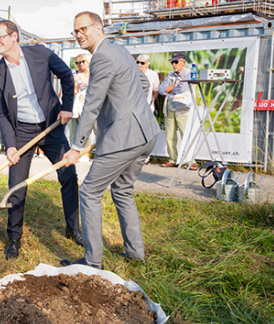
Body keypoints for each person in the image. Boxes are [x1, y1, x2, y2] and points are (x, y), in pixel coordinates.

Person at [60, 11, 160, 270]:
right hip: (146, 134)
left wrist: (75, 148)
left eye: (83, 29)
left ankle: (93, 261)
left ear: (98, 28)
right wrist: (127, 108)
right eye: (75, 31)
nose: (79, 34)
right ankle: (136, 253)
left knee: (90, 191)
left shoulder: (102, 57)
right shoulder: (120, 50)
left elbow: (92, 104)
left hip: (123, 138)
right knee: (122, 191)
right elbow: (143, 85)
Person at [0, 19, 80, 260]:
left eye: (0, 38)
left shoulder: (40, 54)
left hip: (51, 125)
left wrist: (67, 107)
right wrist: (9, 145)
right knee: (17, 186)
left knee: (68, 175)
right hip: (22, 132)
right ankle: (14, 239)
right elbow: (2, 113)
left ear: (14, 37)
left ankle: (73, 228)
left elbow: (68, 77)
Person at [158, 52, 197, 170]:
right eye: (172, 62)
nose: (173, 64)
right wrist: (174, 86)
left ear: (183, 62)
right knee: (170, 134)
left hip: (183, 107)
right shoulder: (169, 75)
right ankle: (172, 159)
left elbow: (182, 89)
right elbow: (161, 90)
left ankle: (191, 160)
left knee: (185, 134)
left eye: (176, 62)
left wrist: (170, 88)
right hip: (170, 106)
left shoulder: (190, 74)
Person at [69, 53, 92, 149]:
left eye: (83, 61)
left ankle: (86, 153)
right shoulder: (77, 75)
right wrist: (75, 81)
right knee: (73, 131)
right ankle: (73, 151)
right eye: (78, 62)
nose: (80, 64)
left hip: (89, 106)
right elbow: (75, 92)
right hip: (76, 106)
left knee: (87, 132)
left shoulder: (94, 75)